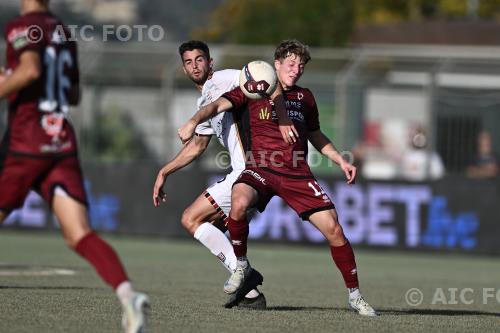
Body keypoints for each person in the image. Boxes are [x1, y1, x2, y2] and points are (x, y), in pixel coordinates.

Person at [178, 39, 377, 316]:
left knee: (334, 229)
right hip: (260, 169)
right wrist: (192, 121)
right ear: (277, 64)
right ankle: (242, 265)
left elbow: (316, 135)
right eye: (291, 64)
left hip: (296, 173)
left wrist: (341, 160)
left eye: (301, 66)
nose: (296, 70)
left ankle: (355, 296)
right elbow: (214, 107)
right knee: (238, 200)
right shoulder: (252, 88)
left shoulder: (305, 97)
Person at [0, 1, 148, 332]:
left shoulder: (21, 25)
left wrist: (13, 81)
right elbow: (75, 93)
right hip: (61, 142)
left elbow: (31, 71)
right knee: (79, 234)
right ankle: (128, 297)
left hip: (26, 143)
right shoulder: (63, 31)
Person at [152, 40, 297, 308]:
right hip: (245, 172)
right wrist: (165, 171)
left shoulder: (226, 79)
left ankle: (246, 276)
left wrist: (283, 119)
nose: (195, 65)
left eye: (199, 59)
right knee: (211, 226)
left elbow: (268, 80)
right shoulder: (205, 97)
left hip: (250, 170)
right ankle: (251, 295)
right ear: (183, 69)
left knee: (191, 219)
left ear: (210, 62)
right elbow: (197, 145)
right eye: (188, 62)